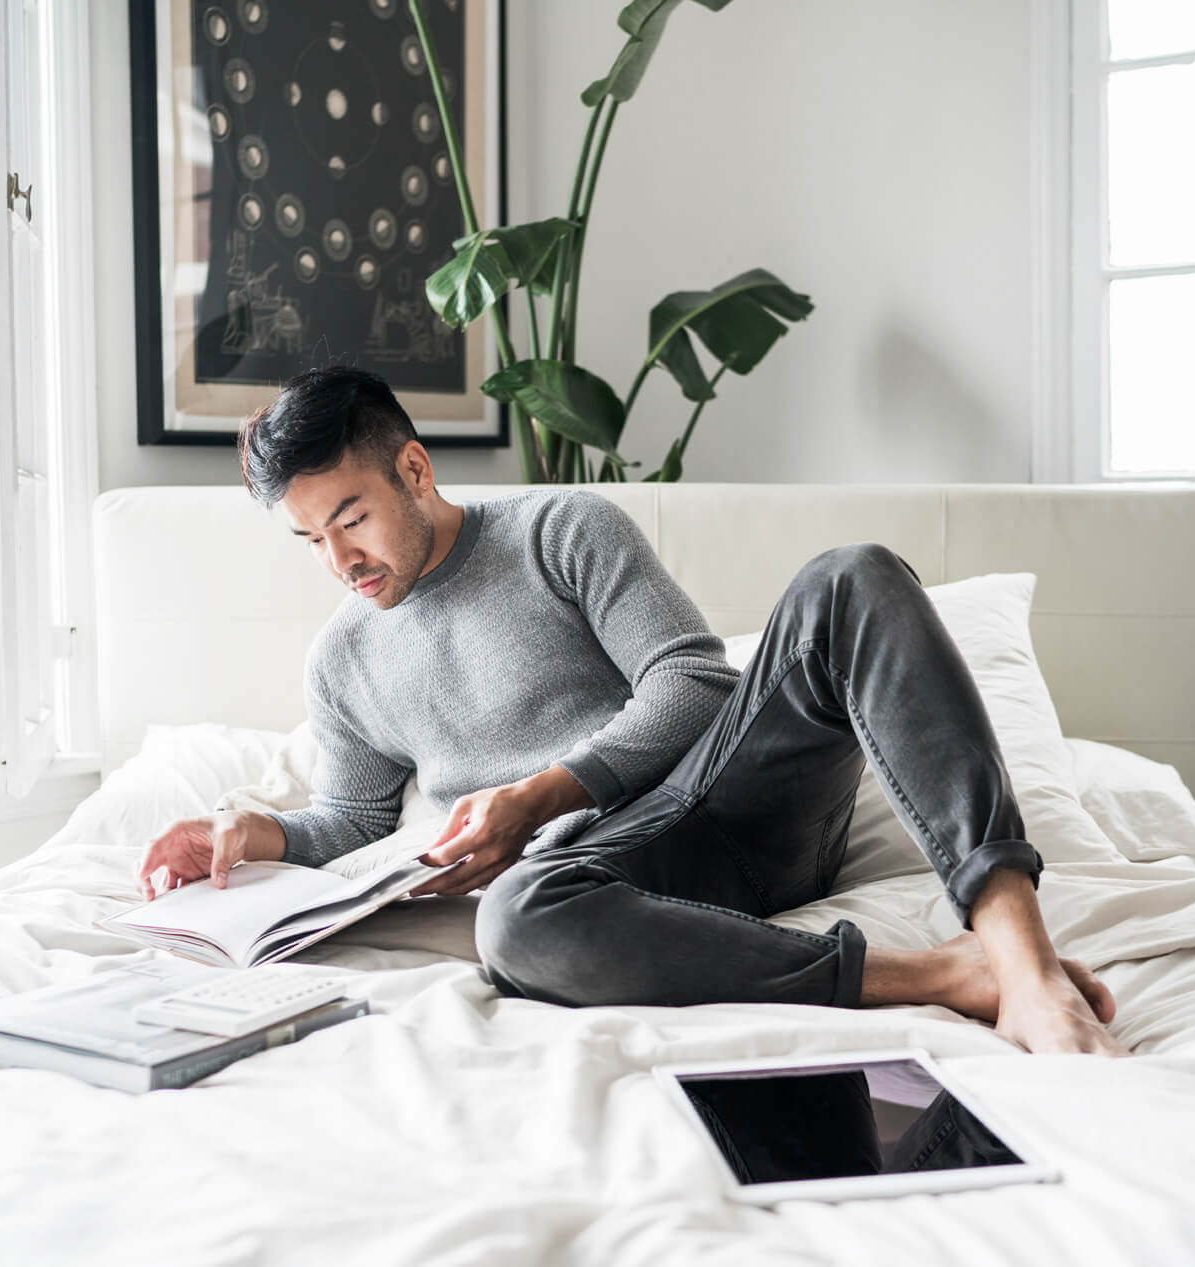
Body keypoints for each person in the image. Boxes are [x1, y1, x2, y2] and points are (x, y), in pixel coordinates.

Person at [135, 365, 1127, 1057]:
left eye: (349, 517)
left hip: (726, 806)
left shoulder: (560, 529)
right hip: (604, 884)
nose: (339, 560)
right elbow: (351, 824)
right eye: (309, 538)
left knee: (852, 575)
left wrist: (537, 794)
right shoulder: (342, 658)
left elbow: (694, 682)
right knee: (515, 922)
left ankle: (1016, 949)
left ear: (413, 469)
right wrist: (252, 828)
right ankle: (942, 977)